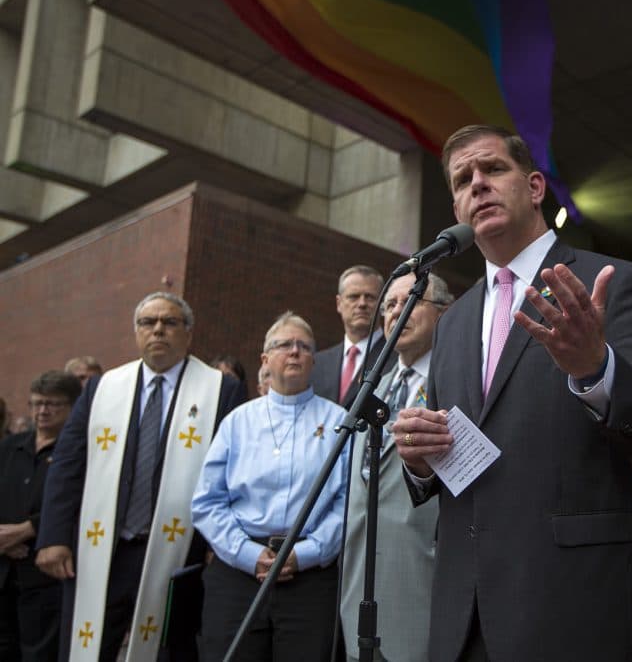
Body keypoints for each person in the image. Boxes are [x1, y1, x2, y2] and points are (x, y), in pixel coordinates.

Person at [392, 124, 632, 660]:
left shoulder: (610, 280)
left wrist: (595, 369)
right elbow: (454, 451)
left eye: (492, 169)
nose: (477, 184)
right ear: (456, 207)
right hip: (465, 612)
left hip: (573, 605)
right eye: (462, 179)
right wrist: (419, 460)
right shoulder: (451, 321)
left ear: (533, 187)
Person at [36, 292, 246, 662]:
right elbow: (69, 463)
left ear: (189, 333)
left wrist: (221, 541)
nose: (158, 330)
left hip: (179, 553)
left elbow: (233, 470)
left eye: (170, 322)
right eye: (148, 323)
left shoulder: (220, 389)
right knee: (90, 646)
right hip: (104, 547)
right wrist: (53, 537)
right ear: (136, 332)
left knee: (170, 651)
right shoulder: (103, 389)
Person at [192, 312, 350, 662]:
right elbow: (207, 502)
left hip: (309, 578)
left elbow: (348, 503)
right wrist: (248, 554)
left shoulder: (340, 423)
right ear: (265, 360)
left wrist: (305, 554)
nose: (294, 352)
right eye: (284, 345)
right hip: (238, 573)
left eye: (304, 346)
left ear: (313, 359)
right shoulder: (237, 422)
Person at [339, 272, 452, 662]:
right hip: (362, 587)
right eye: (389, 305)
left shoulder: (457, 380)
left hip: (424, 580)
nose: (394, 313)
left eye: (411, 300)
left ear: (443, 313)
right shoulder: (374, 386)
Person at [0, 371, 82, 661]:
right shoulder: (10, 447)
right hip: (4, 570)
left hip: (44, 577)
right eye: (36, 403)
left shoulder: (79, 452)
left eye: (52, 404)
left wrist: (27, 530)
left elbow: (79, 502)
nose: (42, 411)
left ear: (73, 407)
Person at [312, 266, 388, 407]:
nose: (362, 304)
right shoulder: (317, 363)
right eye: (353, 296)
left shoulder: (396, 357)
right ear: (339, 303)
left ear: (382, 304)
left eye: (370, 297)